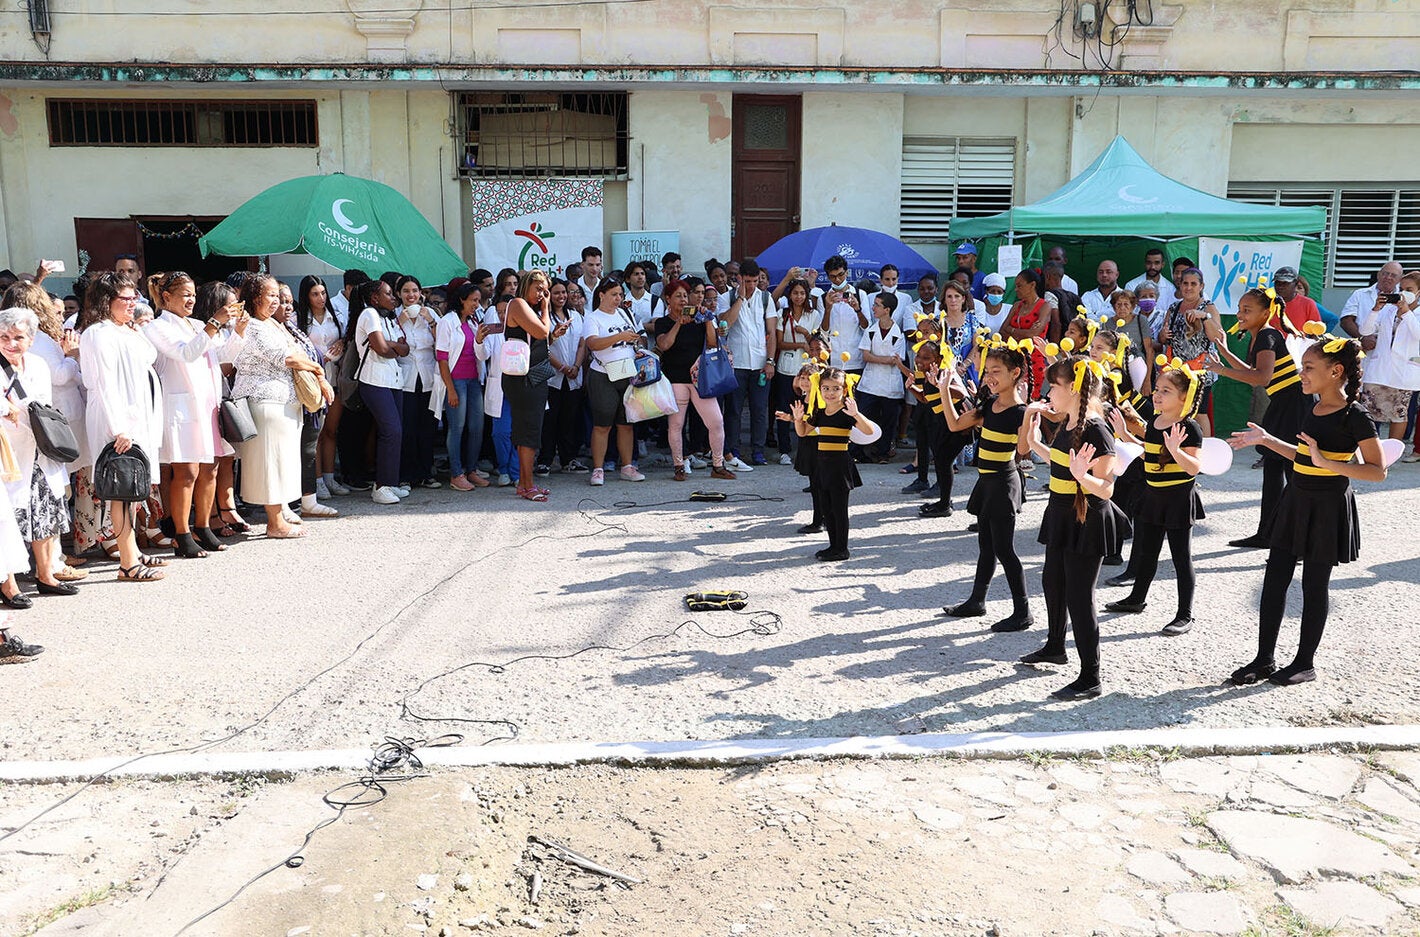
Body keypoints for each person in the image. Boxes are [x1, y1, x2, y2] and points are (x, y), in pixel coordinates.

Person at [1226, 335, 1384, 686]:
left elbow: (1377, 471)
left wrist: (1327, 463)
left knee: (1314, 584)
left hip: (1327, 506)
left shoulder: (1355, 416)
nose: (1302, 373)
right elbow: (1303, 456)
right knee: (1274, 579)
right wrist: (1266, 440)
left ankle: (1304, 663)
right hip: (1296, 500)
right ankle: (1264, 659)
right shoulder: (1312, 407)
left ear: (1336, 371)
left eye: (1309, 368)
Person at [1019, 356, 1127, 700]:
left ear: (1074, 389)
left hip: (1087, 519)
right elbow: (1063, 461)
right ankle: (1055, 647)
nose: (1049, 392)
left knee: (1080, 598)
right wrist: (1036, 443)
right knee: (1052, 581)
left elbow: (1107, 488)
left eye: (1054, 385)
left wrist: (1084, 478)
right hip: (1060, 513)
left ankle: (1091, 677)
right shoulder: (1068, 422)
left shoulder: (1097, 429)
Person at [1103, 362, 1204, 635]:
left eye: (1166, 391)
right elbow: (1149, 452)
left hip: (1178, 500)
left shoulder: (1190, 427)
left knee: (1181, 557)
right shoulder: (1155, 423)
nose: (1157, 395)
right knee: (1147, 553)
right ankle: (1136, 599)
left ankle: (1185, 614)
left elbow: (1194, 467)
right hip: (1152, 496)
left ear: (1184, 397)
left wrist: (1176, 450)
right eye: (1157, 389)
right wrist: (1125, 433)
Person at [938, 340, 1032, 631]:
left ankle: (1023, 612)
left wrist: (1030, 417)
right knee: (986, 546)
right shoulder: (990, 404)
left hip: (1004, 484)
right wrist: (943, 390)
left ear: (1015, 373)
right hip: (987, 483)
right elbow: (955, 424)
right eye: (987, 370)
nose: (989, 376)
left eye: (996, 371)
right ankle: (977, 601)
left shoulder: (1020, 411)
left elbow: (1024, 450)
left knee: (1005, 549)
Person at [79, 273, 166, 580]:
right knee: (122, 489)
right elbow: (103, 383)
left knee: (135, 487)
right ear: (106, 301)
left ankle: (133, 551)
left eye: (134, 298)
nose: (132, 304)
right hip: (114, 419)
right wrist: (118, 428)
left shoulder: (126, 330)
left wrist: (134, 328)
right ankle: (127, 563)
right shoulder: (98, 333)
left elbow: (149, 356)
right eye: (125, 299)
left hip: (137, 416)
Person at [1206, 289, 1308, 548]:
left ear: (1266, 313)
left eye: (1247, 310)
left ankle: (1297, 539)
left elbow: (1261, 378)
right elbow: (1254, 373)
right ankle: (1268, 533)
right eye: (1239, 309)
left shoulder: (1266, 335)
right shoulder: (1261, 335)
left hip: (1292, 406)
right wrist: (1225, 353)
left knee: (1292, 473)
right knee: (1274, 470)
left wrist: (1221, 370)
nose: (1240, 315)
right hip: (1284, 404)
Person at [142, 271, 230, 557]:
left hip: (207, 405)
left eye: (193, 295)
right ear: (167, 297)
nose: (191, 300)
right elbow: (186, 353)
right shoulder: (157, 327)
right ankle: (181, 533)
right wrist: (215, 323)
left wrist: (238, 330)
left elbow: (225, 353)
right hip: (180, 407)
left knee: (210, 467)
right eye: (185, 295)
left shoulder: (197, 324)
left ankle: (202, 526)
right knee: (187, 470)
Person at [231, 274, 320, 537]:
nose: (276, 301)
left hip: (284, 402)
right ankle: (274, 523)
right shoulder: (253, 326)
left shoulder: (272, 324)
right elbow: (287, 358)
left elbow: (298, 351)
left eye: (276, 296)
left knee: (282, 461)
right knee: (270, 462)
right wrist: (319, 372)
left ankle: (281, 513)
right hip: (265, 401)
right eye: (270, 295)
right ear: (255, 297)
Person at [0, 306, 77, 601]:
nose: (11, 343)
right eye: (4, 337)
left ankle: (46, 574)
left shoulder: (38, 364)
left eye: (18, 337)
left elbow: (42, 404)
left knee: (44, 511)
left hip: (40, 450)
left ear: (31, 340)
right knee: (6, 518)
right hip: (8, 454)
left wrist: (15, 407)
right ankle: (8, 584)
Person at [654, 279, 735, 482]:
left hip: (700, 379)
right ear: (668, 299)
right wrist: (678, 323)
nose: (683, 299)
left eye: (685, 295)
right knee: (676, 424)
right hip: (676, 380)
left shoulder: (699, 319)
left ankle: (718, 465)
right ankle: (679, 466)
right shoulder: (663, 322)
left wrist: (707, 319)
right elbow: (664, 345)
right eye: (678, 296)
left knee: (716, 421)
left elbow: (712, 343)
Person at [791, 368, 874, 562]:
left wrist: (856, 414)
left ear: (844, 390)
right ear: (819, 389)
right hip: (822, 464)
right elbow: (803, 432)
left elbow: (869, 431)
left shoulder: (847, 412)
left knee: (839, 510)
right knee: (826, 508)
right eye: (826, 388)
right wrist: (797, 419)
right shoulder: (819, 412)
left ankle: (842, 549)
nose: (830, 393)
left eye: (836, 388)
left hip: (839, 466)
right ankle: (832, 546)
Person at [275, 282, 337, 520]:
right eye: (280, 301)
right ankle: (285, 505)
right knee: (288, 452)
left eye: (289, 301)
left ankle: (309, 501)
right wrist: (319, 372)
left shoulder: (292, 328)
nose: (287, 306)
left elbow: (310, 354)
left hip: (306, 399)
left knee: (307, 449)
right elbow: (291, 359)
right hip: (285, 398)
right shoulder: (269, 328)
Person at [502, 271, 566, 503]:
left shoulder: (528, 308)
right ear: (526, 285)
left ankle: (524, 483)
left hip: (533, 376)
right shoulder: (518, 304)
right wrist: (547, 308)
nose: (542, 294)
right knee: (528, 433)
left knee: (527, 432)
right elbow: (541, 331)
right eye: (538, 289)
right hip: (524, 379)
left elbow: (541, 338)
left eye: (544, 290)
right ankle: (528, 486)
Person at [349, 278, 410, 505]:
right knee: (391, 430)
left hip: (393, 380)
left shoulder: (389, 318)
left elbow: (405, 348)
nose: (394, 297)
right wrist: (393, 346)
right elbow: (383, 349)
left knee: (395, 432)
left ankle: (390, 482)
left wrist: (391, 345)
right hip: (374, 381)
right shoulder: (369, 314)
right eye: (388, 293)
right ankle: (381, 486)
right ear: (375, 298)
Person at [581, 277, 643, 486]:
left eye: (620, 295)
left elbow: (637, 337)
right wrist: (618, 337)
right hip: (603, 374)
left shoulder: (625, 313)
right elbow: (592, 343)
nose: (618, 298)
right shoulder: (593, 318)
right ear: (601, 295)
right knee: (602, 424)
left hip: (627, 372)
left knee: (626, 423)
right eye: (614, 294)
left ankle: (627, 466)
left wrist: (637, 346)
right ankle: (598, 469)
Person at [295, 275, 349, 499]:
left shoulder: (335, 316)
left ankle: (329, 477)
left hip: (334, 379)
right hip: (312, 382)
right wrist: (323, 359)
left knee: (331, 431)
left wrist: (342, 343)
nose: (321, 298)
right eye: (315, 294)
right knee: (315, 433)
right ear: (306, 296)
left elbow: (345, 340)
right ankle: (316, 481)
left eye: (323, 293)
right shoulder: (299, 320)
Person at [721, 259, 777, 469]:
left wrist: (770, 361)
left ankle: (758, 451)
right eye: (747, 281)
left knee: (759, 410)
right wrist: (740, 298)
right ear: (738, 279)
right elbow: (725, 323)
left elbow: (771, 333)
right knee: (733, 410)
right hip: (736, 363)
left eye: (755, 281)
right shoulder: (726, 297)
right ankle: (733, 450)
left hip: (760, 361)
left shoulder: (766, 298)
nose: (752, 285)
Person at [433, 282, 490, 490]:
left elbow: (482, 356)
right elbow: (442, 358)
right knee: (457, 427)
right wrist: (450, 389)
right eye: (473, 300)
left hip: (473, 380)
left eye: (478, 301)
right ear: (461, 300)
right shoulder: (447, 322)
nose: (477, 304)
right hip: (456, 381)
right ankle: (456, 474)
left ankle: (471, 470)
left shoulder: (475, 323)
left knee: (476, 427)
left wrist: (480, 340)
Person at [1353, 264, 1417, 442]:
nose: (1404, 293)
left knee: (1399, 414)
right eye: (1401, 289)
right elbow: (1365, 331)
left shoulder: (1417, 314)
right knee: (1368, 412)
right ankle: (1368, 450)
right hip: (1378, 372)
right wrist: (1375, 310)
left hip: (1403, 374)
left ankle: (1392, 452)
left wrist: (1406, 313)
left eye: (1409, 290)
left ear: (1418, 292)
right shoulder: (1388, 309)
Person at [1156, 267, 1224, 436]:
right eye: (1185, 283)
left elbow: (1217, 337)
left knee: (1199, 412)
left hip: (1200, 370)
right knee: (1176, 410)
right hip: (1176, 371)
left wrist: (1204, 317)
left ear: (1201, 286)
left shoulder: (1208, 307)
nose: (1188, 287)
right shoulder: (1174, 307)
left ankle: (1206, 447)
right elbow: (1162, 339)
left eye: (1193, 284)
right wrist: (1163, 335)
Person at [393, 276, 440, 490]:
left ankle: (426, 473)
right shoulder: (394, 316)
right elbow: (388, 341)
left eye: (414, 291)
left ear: (421, 293)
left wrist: (431, 321)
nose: (410, 295)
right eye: (406, 291)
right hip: (405, 378)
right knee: (408, 428)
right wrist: (399, 321)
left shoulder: (430, 313)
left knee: (427, 428)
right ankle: (406, 475)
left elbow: (442, 342)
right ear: (399, 294)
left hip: (428, 376)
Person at [538, 279, 587, 475]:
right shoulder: (543, 317)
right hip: (553, 377)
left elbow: (582, 344)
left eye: (564, 292)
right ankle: (545, 460)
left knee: (570, 419)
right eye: (556, 293)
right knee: (550, 420)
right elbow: (542, 347)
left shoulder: (575, 316)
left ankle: (569, 459)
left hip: (573, 376)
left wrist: (576, 366)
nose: (561, 296)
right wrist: (562, 367)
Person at [772, 276, 821, 464]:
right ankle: (784, 450)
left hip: (808, 370)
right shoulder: (783, 314)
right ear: (790, 295)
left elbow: (817, 343)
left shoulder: (813, 315)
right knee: (784, 408)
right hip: (786, 368)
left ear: (807, 295)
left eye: (802, 293)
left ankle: (806, 448)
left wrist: (805, 334)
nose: (798, 297)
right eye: (795, 293)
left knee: (809, 410)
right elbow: (779, 342)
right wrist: (800, 344)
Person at [854, 292, 908, 464]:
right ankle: (857, 452)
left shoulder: (898, 334)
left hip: (890, 386)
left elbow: (896, 360)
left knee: (888, 421)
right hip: (870, 384)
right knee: (862, 416)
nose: (873, 308)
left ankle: (882, 453)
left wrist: (877, 358)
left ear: (887, 310)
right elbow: (866, 356)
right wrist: (885, 360)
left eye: (877, 305)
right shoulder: (870, 331)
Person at [1002, 268, 1054, 400]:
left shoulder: (1044, 306)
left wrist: (1012, 330)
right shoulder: (1017, 306)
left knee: (1031, 399)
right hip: (1013, 359)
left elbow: (1034, 334)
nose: (1016, 289)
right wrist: (1024, 333)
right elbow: (1002, 330)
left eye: (1019, 286)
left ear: (1032, 285)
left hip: (1034, 361)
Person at [822, 255, 869, 375]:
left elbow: (866, 326)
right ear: (828, 277)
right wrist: (828, 308)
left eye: (841, 274)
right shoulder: (823, 298)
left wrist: (857, 309)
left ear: (847, 273)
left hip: (855, 358)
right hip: (833, 359)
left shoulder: (860, 294)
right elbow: (824, 331)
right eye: (833, 276)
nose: (837, 279)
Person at [1124, 248, 1177, 319]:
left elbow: (1171, 314)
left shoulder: (1170, 288)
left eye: (1156, 263)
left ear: (1163, 264)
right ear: (1145, 263)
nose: (1152, 267)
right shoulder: (1131, 286)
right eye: (1149, 263)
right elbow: (1127, 311)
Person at [1266, 267, 1320, 334]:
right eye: (1277, 283)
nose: (1280, 286)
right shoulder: (1267, 302)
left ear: (1296, 284)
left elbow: (1316, 332)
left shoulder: (1308, 304)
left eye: (1285, 283)